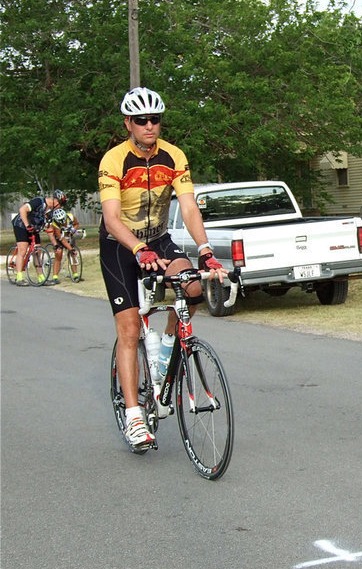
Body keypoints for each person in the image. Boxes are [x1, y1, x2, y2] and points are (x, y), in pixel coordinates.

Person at [98, 86, 226, 450]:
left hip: (159, 239)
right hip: (120, 246)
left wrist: (205, 250)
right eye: (141, 120)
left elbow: (188, 208)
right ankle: (136, 416)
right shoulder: (114, 161)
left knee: (193, 288)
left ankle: (168, 349)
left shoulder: (174, 155)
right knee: (128, 328)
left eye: (155, 119)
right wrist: (137, 249)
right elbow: (109, 219)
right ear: (129, 124)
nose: (150, 126)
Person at [10, 190, 66, 286]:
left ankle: (41, 278)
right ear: (56, 202)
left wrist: (55, 244)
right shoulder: (39, 201)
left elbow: (49, 229)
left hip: (33, 228)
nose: (60, 208)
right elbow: (22, 210)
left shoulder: (49, 211)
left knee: (37, 251)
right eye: (61, 205)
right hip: (21, 225)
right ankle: (19, 277)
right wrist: (27, 225)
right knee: (22, 250)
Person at [45, 207, 81, 283]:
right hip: (60, 238)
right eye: (60, 222)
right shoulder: (55, 224)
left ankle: (75, 275)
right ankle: (55, 277)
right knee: (59, 254)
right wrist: (70, 249)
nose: (63, 223)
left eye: (63, 220)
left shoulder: (71, 217)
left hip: (69, 235)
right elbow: (62, 239)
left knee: (72, 255)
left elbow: (76, 224)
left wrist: (73, 230)